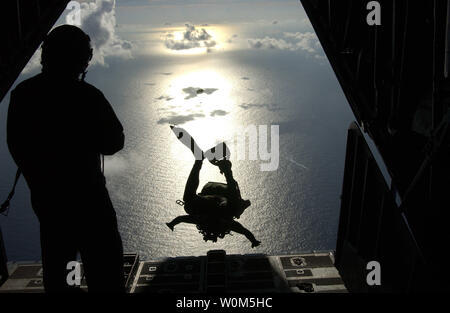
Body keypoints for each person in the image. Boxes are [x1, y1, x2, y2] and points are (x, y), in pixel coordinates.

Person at [7, 25, 125, 292]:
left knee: (60, 269)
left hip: (49, 203)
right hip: (90, 202)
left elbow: (18, 146)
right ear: (82, 58)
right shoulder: (87, 96)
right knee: (104, 269)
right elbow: (114, 143)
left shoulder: (23, 94)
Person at [166, 158, 261, 248]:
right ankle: (225, 170)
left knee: (189, 202)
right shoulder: (226, 223)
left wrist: (172, 224)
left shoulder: (201, 220)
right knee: (232, 207)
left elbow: (180, 219)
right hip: (221, 202)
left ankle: (199, 162)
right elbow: (245, 232)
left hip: (208, 201)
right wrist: (253, 241)